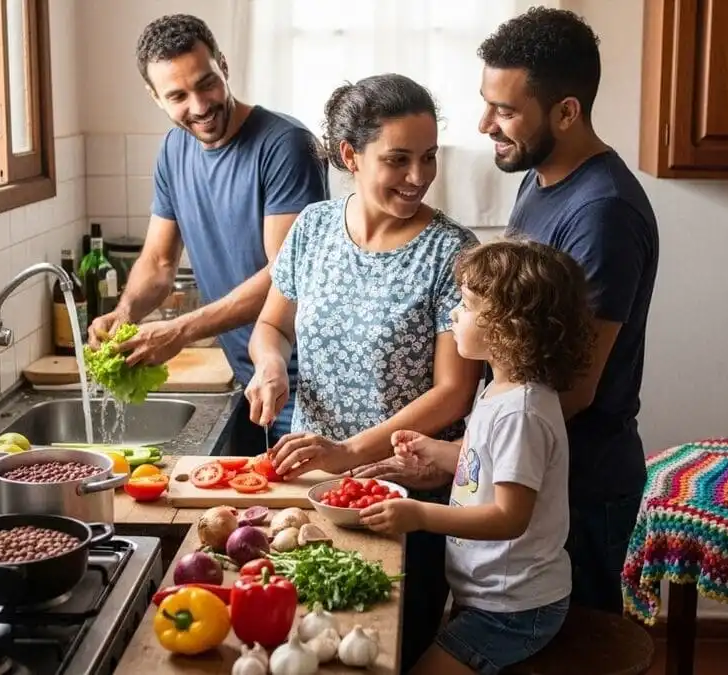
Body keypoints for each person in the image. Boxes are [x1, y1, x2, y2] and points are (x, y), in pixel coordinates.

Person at [244, 73, 484, 671]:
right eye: (398, 159)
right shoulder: (313, 229)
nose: (418, 176)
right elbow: (272, 326)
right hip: (315, 490)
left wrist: (348, 451)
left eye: (427, 158)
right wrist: (270, 366)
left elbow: (454, 393)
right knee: (309, 645)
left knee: (390, 655)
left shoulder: (451, 251)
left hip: (408, 493)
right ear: (350, 156)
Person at [475, 7, 660, 615]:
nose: (486, 124)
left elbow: (575, 388)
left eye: (505, 111)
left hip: (582, 489)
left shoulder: (603, 213)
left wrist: (469, 452)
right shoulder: (540, 177)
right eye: (487, 103)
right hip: (534, 470)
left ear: (567, 111)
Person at [87, 14, 329, 444]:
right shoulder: (173, 149)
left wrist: (181, 330)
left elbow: (285, 276)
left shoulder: (285, 145)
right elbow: (159, 263)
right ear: (155, 97)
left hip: (308, 379)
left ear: (224, 64)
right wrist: (125, 315)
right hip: (250, 374)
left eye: (206, 83)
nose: (199, 106)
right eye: (178, 95)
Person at [360, 239, 595, 675]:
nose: (454, 313)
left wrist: (420, 515)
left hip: (515, 609)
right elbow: (485, 466)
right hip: (490, 596)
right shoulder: (498, 391)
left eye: (466, 305)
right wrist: (434, 450)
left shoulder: (522, 413)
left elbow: (509, 516)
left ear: (511, 326)